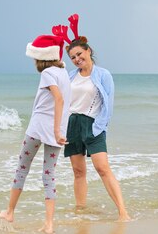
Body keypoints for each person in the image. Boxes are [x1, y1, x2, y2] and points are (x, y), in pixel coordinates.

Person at [54, 14, 131, 222]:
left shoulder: (103, 75)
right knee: (78, 172)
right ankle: (80, 211)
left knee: (102, 168)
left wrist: (100, 127)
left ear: (88, 51)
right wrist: (60, 129)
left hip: (93, 124)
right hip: (73, 125)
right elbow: (62, 102)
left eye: (80, 54)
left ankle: (123, 211)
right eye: (73, 57)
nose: (77, 59)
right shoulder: (70, 76)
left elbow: (109, 104)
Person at [0, 33, 71, 234]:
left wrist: (55, 130)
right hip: (57, 131)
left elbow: (59, 99)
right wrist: (59, 130)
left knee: (22, 168)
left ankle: (10, 212)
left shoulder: (48, 73)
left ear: (41, 57)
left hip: (39, 128)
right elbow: (63, 102)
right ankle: (49, 224)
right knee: (49, 175)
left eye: (34, 56)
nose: (33, 60)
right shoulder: (63, 73)